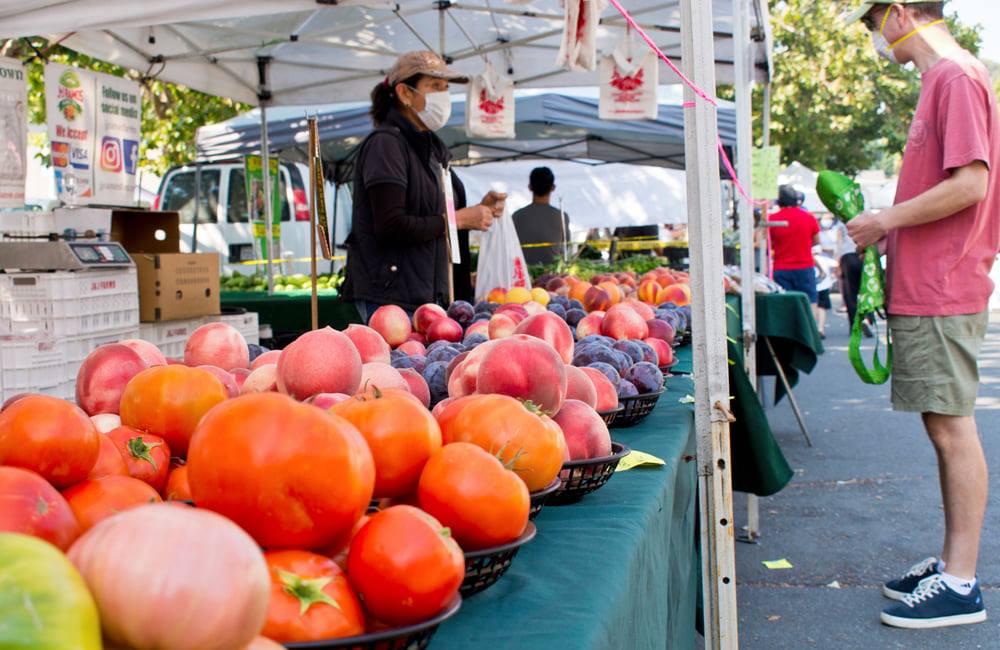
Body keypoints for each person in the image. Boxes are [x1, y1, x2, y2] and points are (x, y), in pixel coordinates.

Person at [845, 0, 1000, 629]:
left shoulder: (954, 76)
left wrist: (886, 219)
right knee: (943, 427)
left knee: (951, 427)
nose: (874, 34)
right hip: (930, 280)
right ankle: (950, 563)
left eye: (874, 19)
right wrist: (891, 228)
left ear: (903, 11)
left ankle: (962, 583)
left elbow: (972, 183)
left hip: (943, 284)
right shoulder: (946, 77)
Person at [342, 51, 506, 319]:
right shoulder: (386, 145)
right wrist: (459, 220)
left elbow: (432, 214)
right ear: (405, 94)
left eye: (445, 88)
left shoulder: (430, 149)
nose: (443, 95)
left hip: (427, 293)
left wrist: (476, 211)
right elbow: (391, 224)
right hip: (392, 297)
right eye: (434, 87)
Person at [768, 185, 820, 307]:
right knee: (809, 301)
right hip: (805, 266)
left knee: (785, 304)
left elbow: (765, 243)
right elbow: (817, 241)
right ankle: (810, 326)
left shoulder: (772, 219)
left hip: (781, 268)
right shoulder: (809, 217)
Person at [511, 167, 570, 266]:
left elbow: (510, 248)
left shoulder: (516, 216)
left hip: (523, 275)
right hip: (553, 276)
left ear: (530, 187)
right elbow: (565, 246)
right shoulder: (562, 216)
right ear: (553, 187)